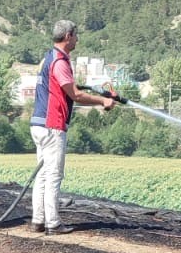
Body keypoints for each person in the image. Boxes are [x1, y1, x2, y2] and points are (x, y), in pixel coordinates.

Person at [29, 22, 118, 234]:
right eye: (76, 36)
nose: (77, 39)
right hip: (52, 125)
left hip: (39, 124)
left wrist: (99, 94)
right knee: (53, 175)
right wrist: (102, 102)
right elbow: (75, 95)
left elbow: (70, 88)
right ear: (68, 36)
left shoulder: (49, 57)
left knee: (42, 175)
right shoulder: (59, 62)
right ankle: (53, 223)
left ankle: (38, 220)